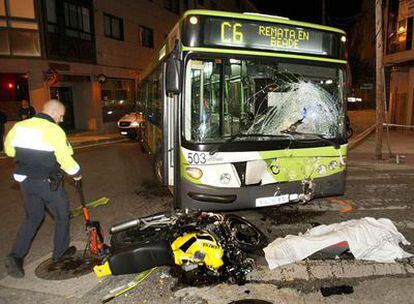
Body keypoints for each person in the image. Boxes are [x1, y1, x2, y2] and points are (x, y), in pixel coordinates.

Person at [4, 99, 81, 278]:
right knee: (62, 215)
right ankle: (60, 252)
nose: (61, 120)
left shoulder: (19, 126)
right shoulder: (54, 130)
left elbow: (10, 151)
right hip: (48, 183)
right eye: (61, 116)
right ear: (54, 113)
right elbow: (65, 158)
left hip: (26, 183)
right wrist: (77, 174)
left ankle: (15, 256)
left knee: (34, 217)